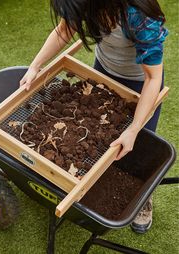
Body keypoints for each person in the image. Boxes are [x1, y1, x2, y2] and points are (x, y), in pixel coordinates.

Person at [19, 0, 168, 234]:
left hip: (141, 83)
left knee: (139, 143)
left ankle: (143, 198)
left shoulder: (139, 18)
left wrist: (134, 128)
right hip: (104, 69)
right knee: (101, 131)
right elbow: (64, 29)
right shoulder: (86, 5)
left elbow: (153, 79)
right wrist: (35, 66)